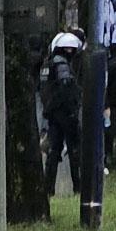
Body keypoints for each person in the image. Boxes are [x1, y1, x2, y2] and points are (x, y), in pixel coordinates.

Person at [40, 32, 83, 195]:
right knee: (74, 151)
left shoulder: (47, 65)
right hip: (65, 114)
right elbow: (66, 86)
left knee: (53, 152)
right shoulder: (62, 65)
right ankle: (78, 187)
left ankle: (48, 189)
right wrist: (72, 108)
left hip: (52, 114)